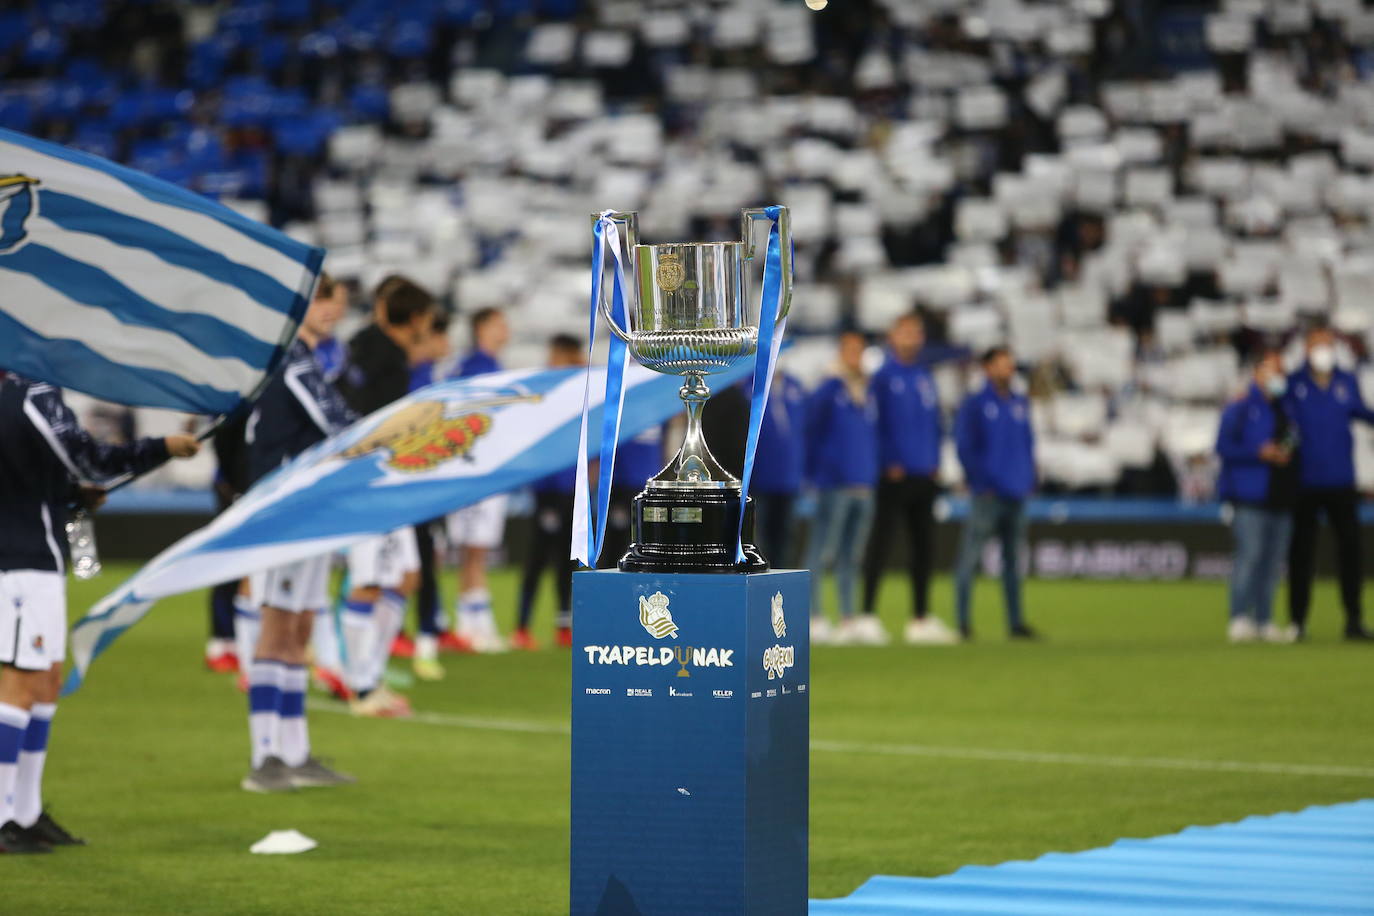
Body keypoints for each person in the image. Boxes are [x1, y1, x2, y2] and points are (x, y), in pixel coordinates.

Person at [0, 371, 200, 852]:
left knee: (45, 678)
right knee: (18, 685)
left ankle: (24, 812)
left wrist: (71, 497)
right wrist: (164, 447)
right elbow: (89, 456)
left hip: (36, 558)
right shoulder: (31, 391)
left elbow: (31, 472)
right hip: (18, 563)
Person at [240, 273, 357, 792]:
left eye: (338, 304)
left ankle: (295, 751)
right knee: (276, 625)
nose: (331, 311)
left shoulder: (308, 362)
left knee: (298, 629)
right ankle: (264, 757)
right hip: (281, 510)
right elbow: (337, 423)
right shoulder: (291, 361)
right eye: (322, 302)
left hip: (308, 509)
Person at [335, 276, 437, 716]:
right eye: (427, 321)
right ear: (414, 319)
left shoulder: (363, 344)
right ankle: (360, 687)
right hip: (372, 481)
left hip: (381, 482)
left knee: (405, 576)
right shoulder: (391, 363)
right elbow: (389, 429)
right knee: (370, 579)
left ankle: (369, 677)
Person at [861, 313, 954, 645]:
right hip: (894, 474)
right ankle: (867, 615)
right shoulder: (884, 376)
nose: (912, 338)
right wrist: (888, 461)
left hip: (924, 473)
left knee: (924, 548)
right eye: (906, 332)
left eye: (917, 332)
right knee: (881, 543)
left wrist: (934, 461)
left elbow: (935, 424)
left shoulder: (925, 376)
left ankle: (920, 618)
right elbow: (875, 424)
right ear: (892, 336)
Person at [1284, 326, 1374, 641]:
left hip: (1341, 481)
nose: (1324, 351)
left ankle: (1353, 620)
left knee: (1351, 551)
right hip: (1305, 482)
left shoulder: (1346, 381)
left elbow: (1363, 413)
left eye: (1328, 345)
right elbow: (1282, 425)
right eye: (1318, 345)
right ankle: (1297, 622)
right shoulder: (1294, 384)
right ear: (1306, 349)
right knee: (1301, 554)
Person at [952, 346, 1038, 641]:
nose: (1008, 370)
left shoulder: (1020, 403)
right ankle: (963, 623)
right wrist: (980, 482)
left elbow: (1028, 444)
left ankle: (1015, 623)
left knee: (1014, 563)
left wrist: (1028, 478)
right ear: (988, 368)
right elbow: (964, 446)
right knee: (970, 558)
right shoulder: (975, 404)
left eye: (1010, 365)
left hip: (1016, 493)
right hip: (987, 495)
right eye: (1001, 365)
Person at [804, 330, 881, 646]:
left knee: (852, 555)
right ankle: (813, 616)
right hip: (834, 484)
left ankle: (848, 618)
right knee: (822, 550)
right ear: (840, 353)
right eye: (850, 350)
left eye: (859, 351)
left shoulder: (867, 391)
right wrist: (818, 472)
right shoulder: (828, 389)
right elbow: (809, 430)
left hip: (863, 485)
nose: (856, 356)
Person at [1217, 350, 1299, 644]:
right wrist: (1258, 453)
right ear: (1257, 373)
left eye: (1280, 370)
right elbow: (1223, 446)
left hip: (1281, 494)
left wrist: (1285, 450)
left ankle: (1264, 619)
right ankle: (1240, 617)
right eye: (1271, 370)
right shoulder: (1239, 407)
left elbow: (1294, 437)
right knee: (1249, 558)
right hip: (1249, 495)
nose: (1277, 376)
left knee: (1273, 562)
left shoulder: (1286, 407)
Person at [445, 307, 512, 653]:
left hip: (477, 469)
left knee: (474, 550)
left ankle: (469, 622)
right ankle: (475, 624)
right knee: (476, 549)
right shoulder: (480, 368)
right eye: (499, 323)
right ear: (481, 327)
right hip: (479, 470)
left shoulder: (478, 365)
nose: (507, 329)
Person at [514, 334, 585, 650]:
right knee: (538, 558)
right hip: (547, 489)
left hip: (569, 488)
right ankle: (522, 625)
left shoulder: (575, 389)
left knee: (565, 561)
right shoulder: (544, 390)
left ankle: (562, 625)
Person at [406, 309, 453, 681]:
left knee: (419, 565)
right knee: (416, 566)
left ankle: (421, 640)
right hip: (414, 488)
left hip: (425, 486)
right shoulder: (416, 380)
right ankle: (423, 643)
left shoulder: (427, 377)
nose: (447, 346)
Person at [749, 368, 807, 568]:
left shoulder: (795, 386)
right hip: (759, 479)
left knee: (786, 539)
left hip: (789, 479)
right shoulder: (749, 386)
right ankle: (762, 587)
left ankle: (783, 591)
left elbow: (806, 432)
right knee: (760, 540)